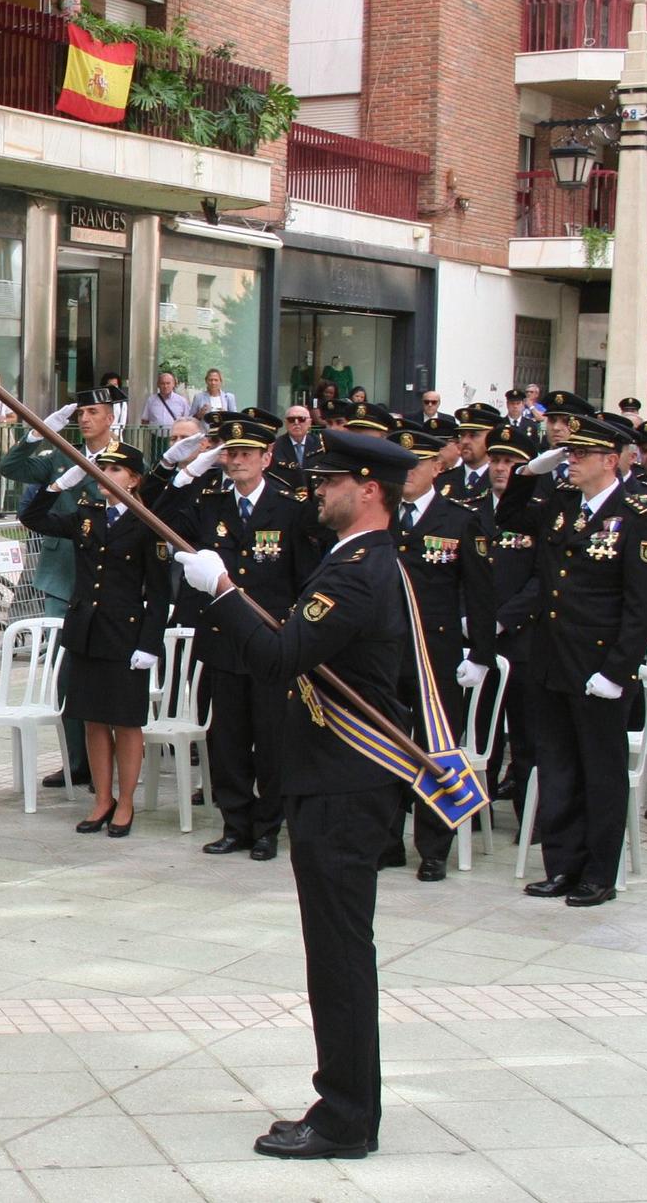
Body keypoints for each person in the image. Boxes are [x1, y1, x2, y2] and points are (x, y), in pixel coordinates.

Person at [175, 430, 420, 1161]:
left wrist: (222, 590)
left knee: (340, 955)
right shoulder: (364, 562)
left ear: (368, 487)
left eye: (331, 479)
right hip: (339, 780)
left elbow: (282, 656)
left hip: (342, 785)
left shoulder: (355, 571)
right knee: (337, 952)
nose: (318, 490)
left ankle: (346, 1116)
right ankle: (343, 1099)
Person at [495, 412, 647, 906]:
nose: (571, 461)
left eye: (581, 455)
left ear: (610, 461)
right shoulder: (562, 504)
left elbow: (643, 605)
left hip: (598, 666)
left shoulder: (638, 513)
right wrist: (530, 472)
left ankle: (598, 874)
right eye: (570, 454)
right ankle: (563, 865)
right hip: (552, 658)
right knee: (558, 767)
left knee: (600, 771)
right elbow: (509, 518)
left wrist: (618, 671)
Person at [155, 418, 319, 859]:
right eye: (232, 452)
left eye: (249, 453)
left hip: (270, 642)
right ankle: (235, 824)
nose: (239, 460)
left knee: (271, 740)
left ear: (267, 458)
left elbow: (305, 575)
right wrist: (188, 472)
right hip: (224, 640)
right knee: (226, 742)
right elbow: (162, 519)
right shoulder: (210, 504)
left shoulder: (290, 506)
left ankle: (267, 827)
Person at [20, 441, 171, 839]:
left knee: (126, 721)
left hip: (126, 636)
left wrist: (149, 645)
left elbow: (158, 592)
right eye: (102, 468)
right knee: (92, 719)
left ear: (135, 479)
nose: (106, 475)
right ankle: (101, 799)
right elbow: (32, 518)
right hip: (87, 631)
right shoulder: (88, 514)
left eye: (116, 470)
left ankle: (125, 802)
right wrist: (58, 485)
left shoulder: (148, 522)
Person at [0, 385, 125, 790]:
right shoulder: (58, 457)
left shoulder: (123, 461)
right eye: (80, 413)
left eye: (93, 411)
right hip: (62, 574)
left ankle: (108, 760)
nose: (84, 419)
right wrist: (38, 432)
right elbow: (11, 468)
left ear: (110, 417)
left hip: (105, 577)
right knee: (64, 671)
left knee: (104, 672)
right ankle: (77, 760)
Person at [383, 427, 495, 881]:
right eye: (402, 464)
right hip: (386, 653)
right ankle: (386, 840)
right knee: (386, 748)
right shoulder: (381, 514)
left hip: (437, 655)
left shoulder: (459, 519)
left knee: (436, 751)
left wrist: (481, 654)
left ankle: (433, 847)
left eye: (417, 464)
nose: (408, 473)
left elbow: (482, 592)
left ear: (438, 467)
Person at [481, 426, 541, 814]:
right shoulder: (471, 508)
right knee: (481, 730)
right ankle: (475, 810)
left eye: (511, 462)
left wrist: (505, 619)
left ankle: (530, 815)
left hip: (523, 638)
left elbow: (543, 578)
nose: (502, 468)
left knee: (526, 735)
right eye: (497, 460)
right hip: (480, 638)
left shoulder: (540, 511)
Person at [437, 404, 502, 502]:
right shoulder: (441, 481)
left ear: (491, 438)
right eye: (462, 435)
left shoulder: (501, 480)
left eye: (473, 435)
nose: (465, 441)